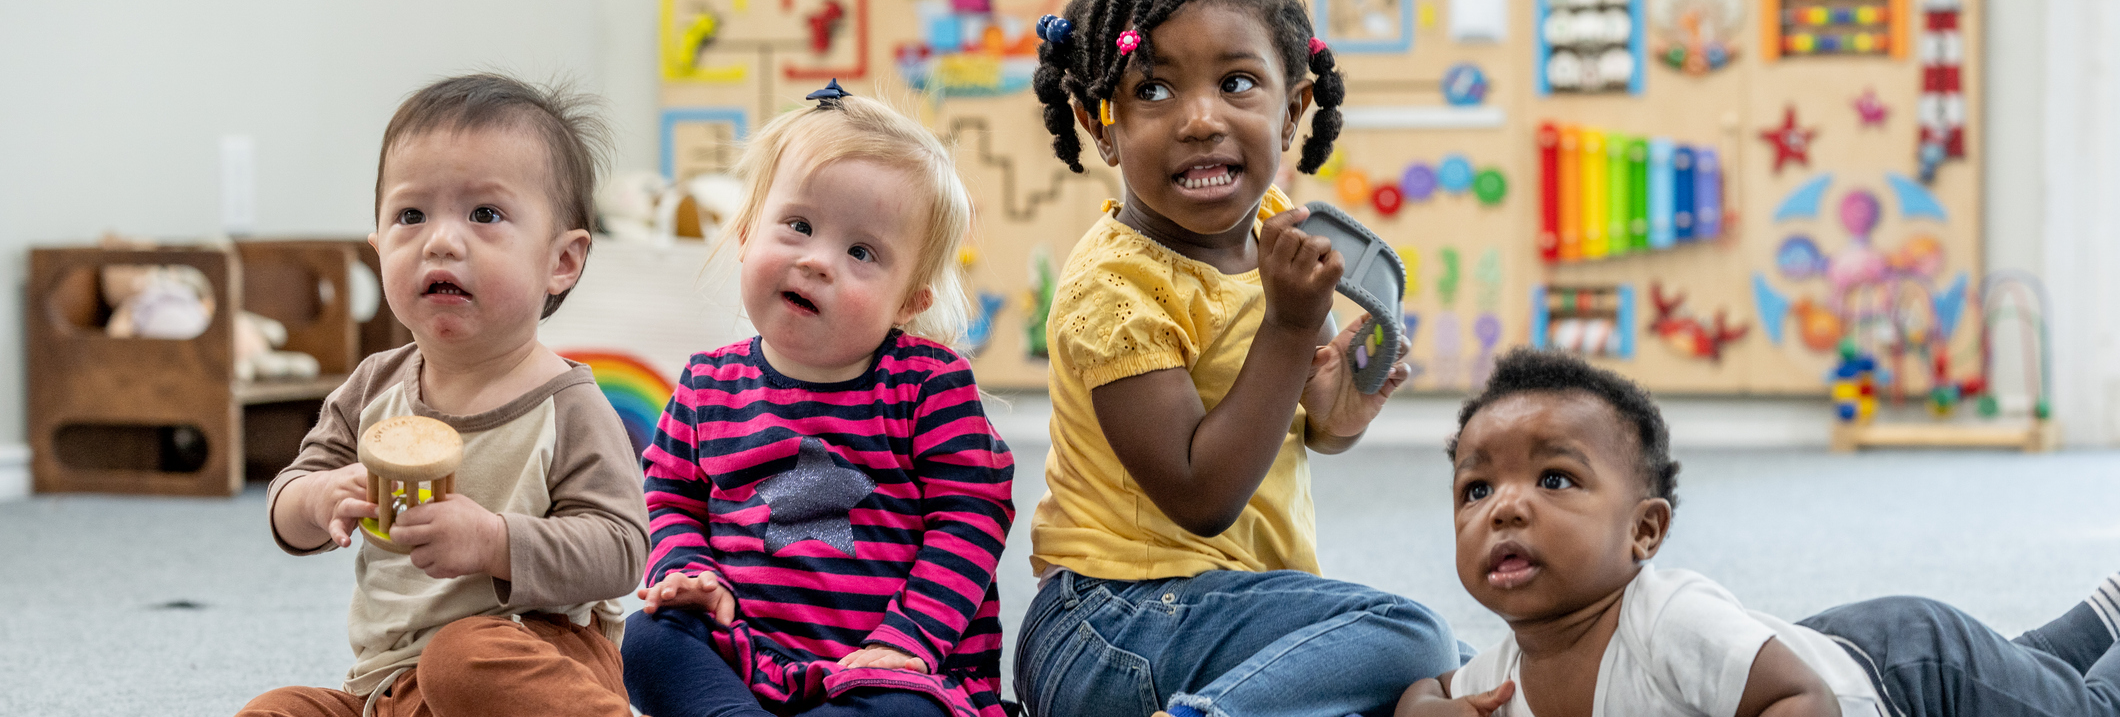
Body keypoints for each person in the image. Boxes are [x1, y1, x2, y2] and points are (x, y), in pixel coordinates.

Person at [1016, 2, 1463, 715]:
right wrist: (1289, 329)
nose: (1199, 119)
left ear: (1292, 112)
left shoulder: (1271, 226)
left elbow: (1277, 421)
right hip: (1106, 627)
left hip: (1222, 614)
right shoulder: (1113, 291)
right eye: (1153, 90)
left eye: (1236, 83)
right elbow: (1202, 494)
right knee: (1412, 636)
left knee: (1453, 677)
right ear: (1101, 123)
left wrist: (1333, 412)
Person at [1403, 347, 2120, 717]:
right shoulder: (1498, 679)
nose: (1504, 507)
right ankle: (2102, 613)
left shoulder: (1667, 622)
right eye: (1477, 488)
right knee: (2031, 671)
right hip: (1838, 644)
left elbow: (1801, 696)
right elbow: (1425, 686)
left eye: (1554, 479)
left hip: (1914, 680)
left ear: (1644, 531)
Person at [240, 73, 647, 717]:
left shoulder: (566, 404)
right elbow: (288, 502)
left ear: (561, 262)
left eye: (484, 214)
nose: (441, 240)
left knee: (461, 660)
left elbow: (622, 549)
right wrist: (318, 498)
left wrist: (493, 542)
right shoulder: (372, 386)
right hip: (385, 685)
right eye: (411, 215)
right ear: (378, 248)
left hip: (532, 657)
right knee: (273, 711)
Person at [618, 83, 1015, 717]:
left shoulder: (928, 386)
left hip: (892, 672)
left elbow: (968, 522)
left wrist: (908, 642)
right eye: (798, 226)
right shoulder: (705, 385)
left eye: (862, 253)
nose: (817, 261)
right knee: (644, 640)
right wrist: (690, 572)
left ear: (912, 300)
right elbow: (669, 498)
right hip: (746, 656)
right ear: (748, 232)